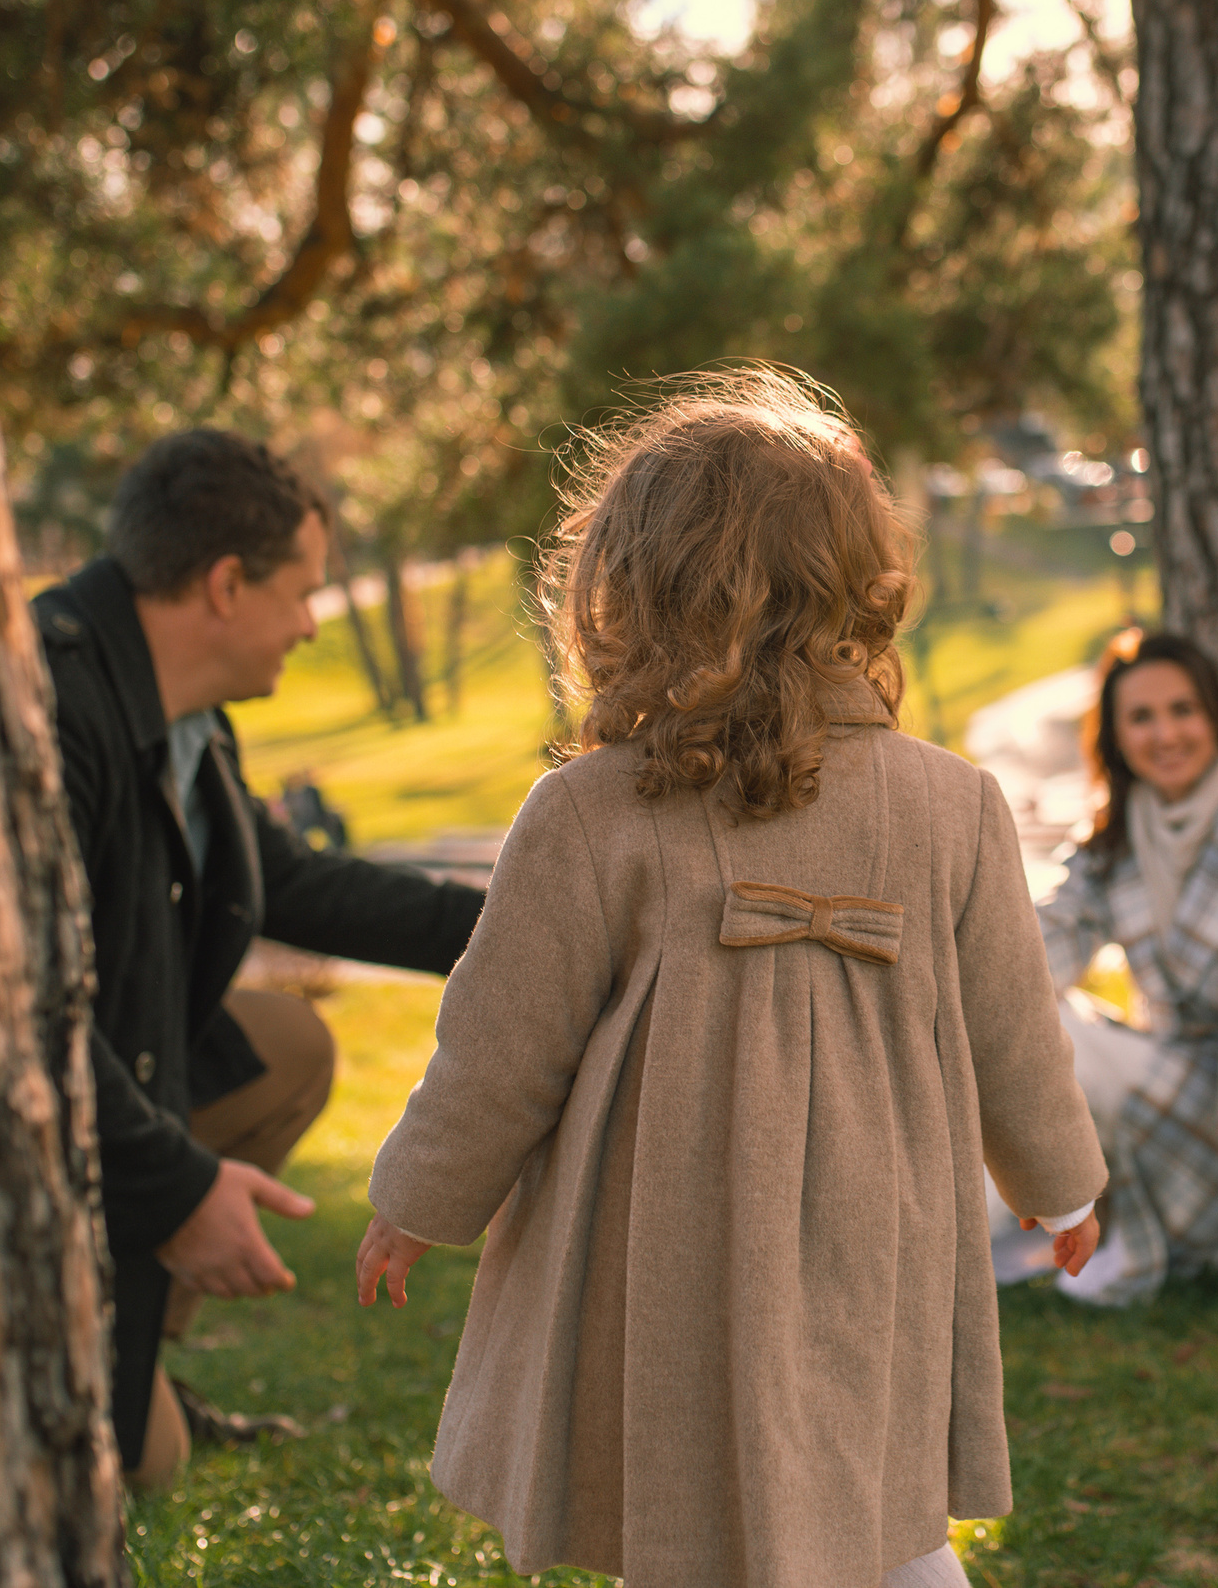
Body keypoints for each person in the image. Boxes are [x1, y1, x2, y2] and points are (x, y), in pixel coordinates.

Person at [352, 370, 1107, 1588]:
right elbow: (1021, 1040)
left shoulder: (593, 810)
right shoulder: (952, 804)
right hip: (884, 1227)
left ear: (638, 592)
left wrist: (418, 1194)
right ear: (858, 580)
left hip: (670, 1236)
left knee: (687, 1503)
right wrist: (1060, 1187)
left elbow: (498, 1047)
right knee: (876, 1504)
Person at [33, 428, 487, 1490]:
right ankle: (100, 1349)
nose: (312, 621)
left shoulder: (185, 713)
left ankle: (137, 1340)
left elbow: (299, 884)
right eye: (302, 590)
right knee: (139, 1470)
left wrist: (533, 923)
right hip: (27, 1126)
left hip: (108, 1098)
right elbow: (17, 1013)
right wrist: (177, 1189)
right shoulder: (52, 707)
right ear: (227, 583)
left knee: (287, 1043)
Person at [1017, 630, 1218, 1305]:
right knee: (1019, 1015)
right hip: (1159, 1081)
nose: (1166, 733)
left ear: (1214, 714)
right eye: (1141, 717)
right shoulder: (1116, 833)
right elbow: (1050, 937)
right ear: (1116, 736)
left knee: (1060, 1038)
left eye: (1182, 709)